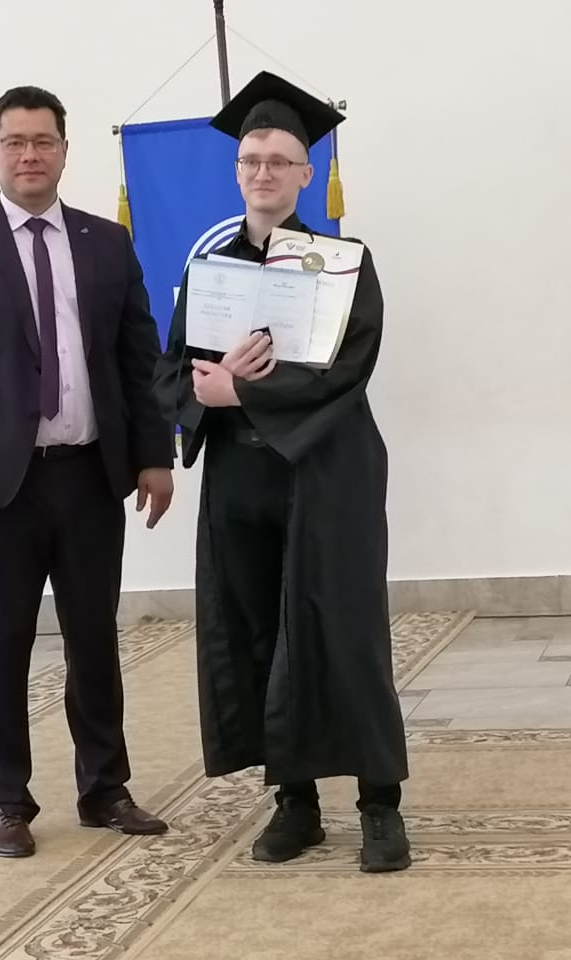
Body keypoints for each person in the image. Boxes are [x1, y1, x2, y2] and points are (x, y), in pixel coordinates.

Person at [151, 71, 411, 873]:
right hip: (242, 480)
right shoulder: (210, 270)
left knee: (344, 631)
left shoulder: (342, 265)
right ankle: (295, 802)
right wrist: (206, 391)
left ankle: (379, 805)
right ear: (237, 173)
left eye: (280, 161)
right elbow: (171, 370)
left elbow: (347, 369)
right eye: (252, 160)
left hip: (328, 472)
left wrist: (244, 391)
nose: (264, 172)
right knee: (259, 629)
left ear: (305, 174)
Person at [0, 85, 175, 859]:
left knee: (95, 638)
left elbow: (138, 356)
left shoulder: (106, 243)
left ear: (64, 150)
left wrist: (153, 454)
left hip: (91, 475)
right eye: (15, 142)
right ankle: (6, 800)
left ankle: (105, 788)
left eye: (44, 141)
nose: (30, 155)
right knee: (0, 645)